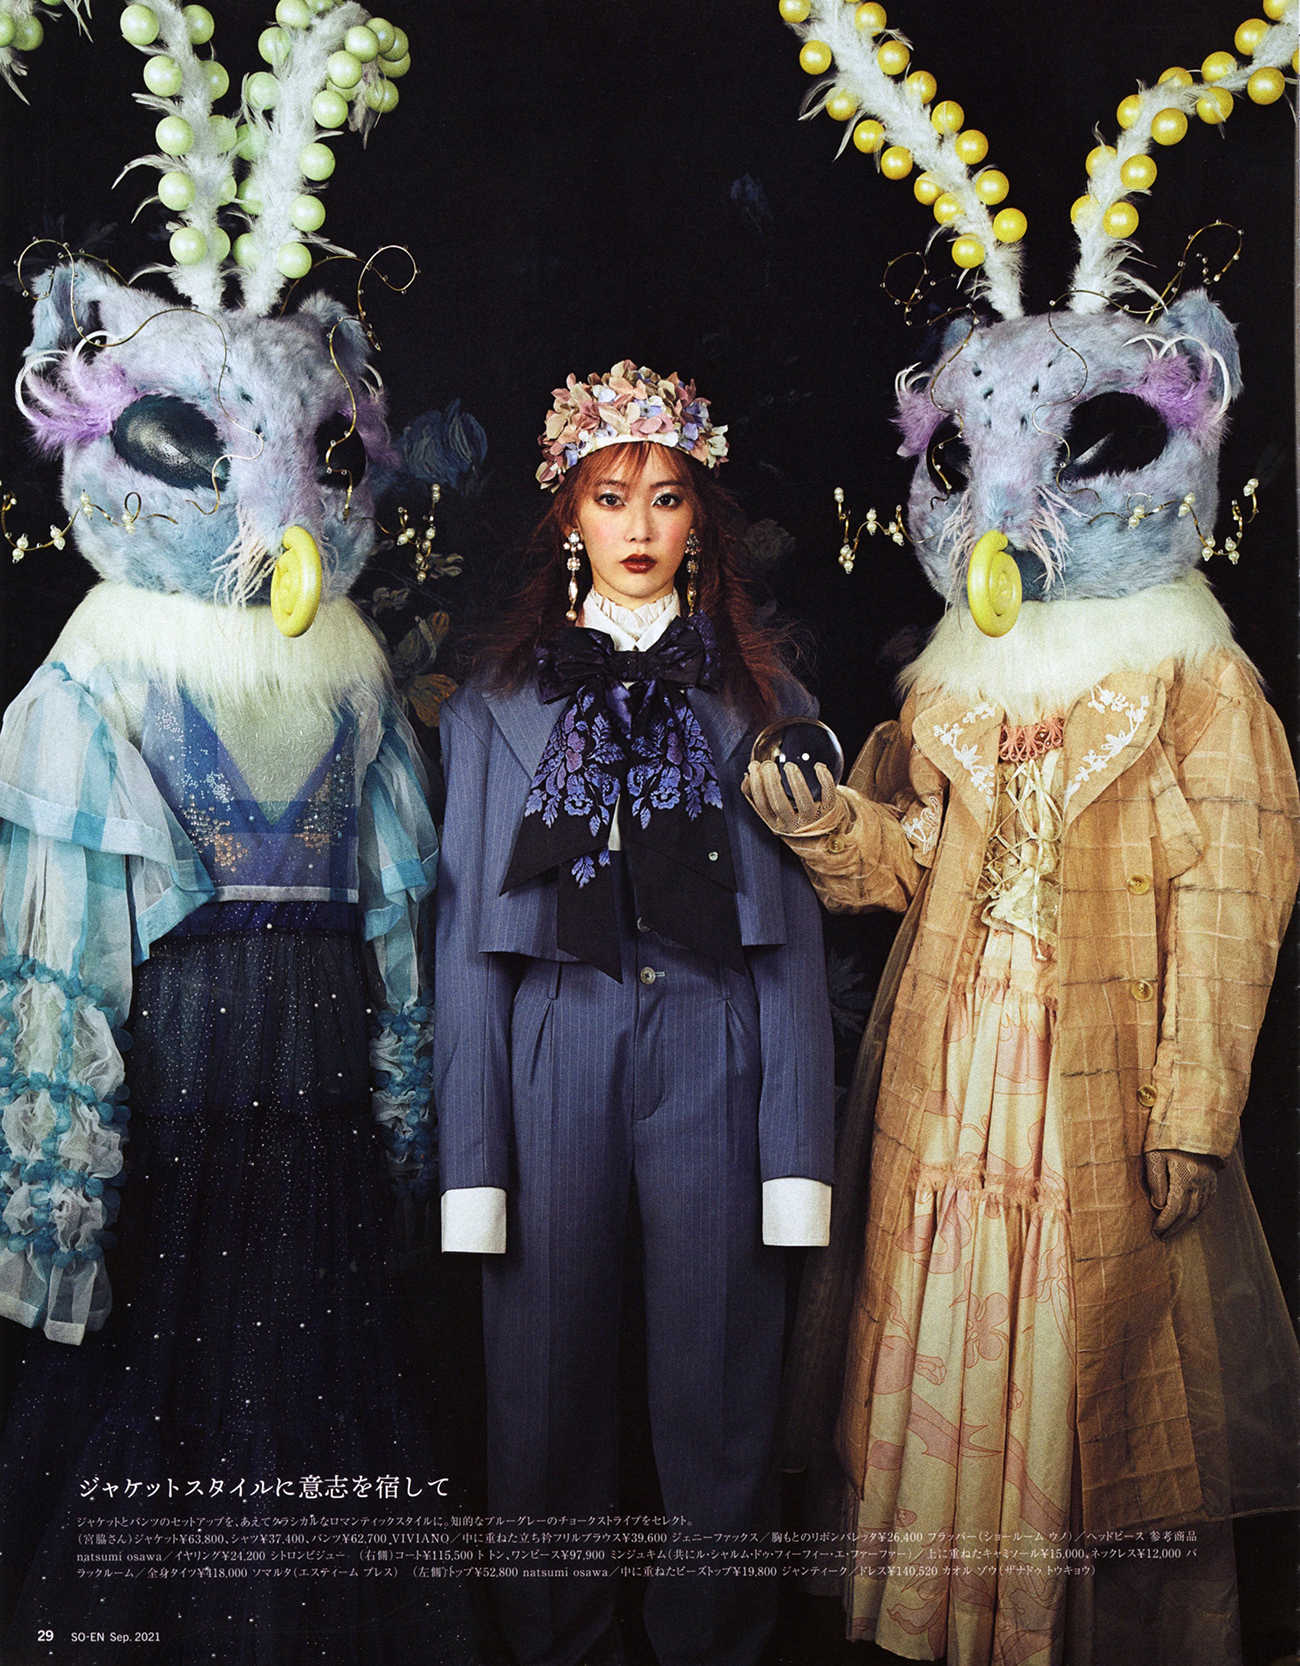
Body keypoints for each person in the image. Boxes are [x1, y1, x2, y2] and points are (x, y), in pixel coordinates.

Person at [433, 361, 836, 1666]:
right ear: (572, 516)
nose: (641, 525)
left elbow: (794, 943)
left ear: (699, 518)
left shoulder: (768, 705)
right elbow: (466, 947)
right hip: (551, 1044)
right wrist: (474, 1167)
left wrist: (796, 1157)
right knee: (542, 1383)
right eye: (612, 498)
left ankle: (715, 1640)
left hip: (716, 1048)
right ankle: (558, 1640)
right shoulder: (492, 712)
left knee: (722, 1385)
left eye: (666, 497)